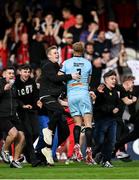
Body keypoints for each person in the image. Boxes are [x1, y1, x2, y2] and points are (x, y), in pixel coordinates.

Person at [39, 45, 80, 165]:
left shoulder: (57, 66)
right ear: (49, 55)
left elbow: (61, 83)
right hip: (46, 96)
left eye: (57, 52)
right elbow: (55, 78)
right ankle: (48, 130)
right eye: (54, 53)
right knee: (58, 111)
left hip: (55, 98)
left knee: (65, 131)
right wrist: (70, 76)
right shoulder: (47, 65)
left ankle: (47, 149)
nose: (57, 54)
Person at [59, 42, 95, 165]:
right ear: (83, 50)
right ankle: (89, 152)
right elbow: (89, 80)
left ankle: (76, 145)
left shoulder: (66, 63)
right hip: (83, 93)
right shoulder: (88, 63)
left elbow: (59, 76)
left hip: (71, 95)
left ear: (72, 50)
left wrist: (68, 80)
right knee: (88, 124)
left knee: (77, 124)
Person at [14, 64, 41, 167]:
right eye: (25, 72)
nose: (27, 74)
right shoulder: (15, 83)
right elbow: (15, 98)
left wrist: (37, 101)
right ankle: (33, 159)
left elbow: (35, 94)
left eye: (28, 72)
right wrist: (22, 105)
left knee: (36, 133)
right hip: (21, 111)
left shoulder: (31, 81)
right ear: (20, 72)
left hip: (32, 110)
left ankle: (25, 151)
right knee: (28, 133)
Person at [93, 70, 120, 168]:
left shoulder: (115, 92)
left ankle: (106, 161)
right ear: (105, 80)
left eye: (115, 79)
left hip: (112, 120)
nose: (114, 80)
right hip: (101, 120)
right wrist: (98, 93)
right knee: (99, 142)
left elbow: (118, 104)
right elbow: (97, 105)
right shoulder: (100, 90)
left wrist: (117, 108)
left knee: (111, 141)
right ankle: (93, 155)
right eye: (112, 79)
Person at [0, 66, 25, 168]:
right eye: (9, 73)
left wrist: (22, 105)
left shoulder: (14, 86)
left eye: (12, 74)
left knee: (22, 137)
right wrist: (3, 90)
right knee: (13, 134)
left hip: (13, 115)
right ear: (4, 74)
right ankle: (4, 149)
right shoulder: (1, 84)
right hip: (2, 115)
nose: (11, 75)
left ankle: (15, 160)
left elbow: (15, 99)